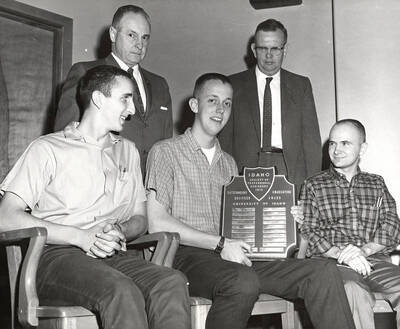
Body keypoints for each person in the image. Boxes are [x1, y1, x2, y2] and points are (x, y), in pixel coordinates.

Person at [145, 72, 356, 329]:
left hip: (232, 258)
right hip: (186, 258)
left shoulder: (230, 164)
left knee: (322, 272)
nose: (220, 110)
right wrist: (221, 243)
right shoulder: (165, 152)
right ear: (193, 105)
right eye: (212, 100)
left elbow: (243, 229)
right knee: (242, 282)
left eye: (227, 103)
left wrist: (285, 220)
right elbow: (156, 223)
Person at [0, 65, 190, 329]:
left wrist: (119, 229)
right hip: (57, 256)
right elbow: (5, 217)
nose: (132, 109)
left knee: (171, 282)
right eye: (125, 98)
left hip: (112, 256)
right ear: (99, 99)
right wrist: (81, 236)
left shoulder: (128, 152)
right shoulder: (48, 149)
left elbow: (140, 218)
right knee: (122, 290)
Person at [299, 119, 400, 329]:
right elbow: (308, 230)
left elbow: (392, 224)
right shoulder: (313, 184)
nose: (336, 150)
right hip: (332, 265)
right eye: (332, 143)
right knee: (351, 290)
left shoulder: (376, 182)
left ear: (362, 148)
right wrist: (341, 254)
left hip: (374, 261)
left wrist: (363, 251)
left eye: (345, 143)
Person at [55, 5, 172, 174]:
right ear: (113, 34)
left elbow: (166, 145)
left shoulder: (160, 84)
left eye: (145, 38)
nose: (139, 44)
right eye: (131, 35)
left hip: (151, 191)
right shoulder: (85, 73)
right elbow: (64, 140)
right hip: (102, 186)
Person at [219, 18, 321, 192]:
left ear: (285, 50)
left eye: (275, 48)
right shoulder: (233, 84)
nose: (269, 55)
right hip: (243, 172)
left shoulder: (301, 85)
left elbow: (311, 143)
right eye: (262, 48)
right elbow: (224, 141)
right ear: (253, 50)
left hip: (290, 172)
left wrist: (313, 189)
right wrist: (225, 183)